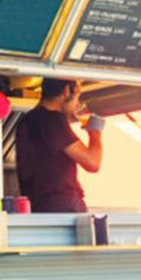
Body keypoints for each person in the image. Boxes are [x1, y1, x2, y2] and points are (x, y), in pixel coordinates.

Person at [15, 78, 104, 213]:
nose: (77, 103)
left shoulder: (28, 120)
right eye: (77, 97)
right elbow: (92, 163)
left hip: (40, 207)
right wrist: (95, 133)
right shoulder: (51, 120)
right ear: (66, 91)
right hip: (60, 206)